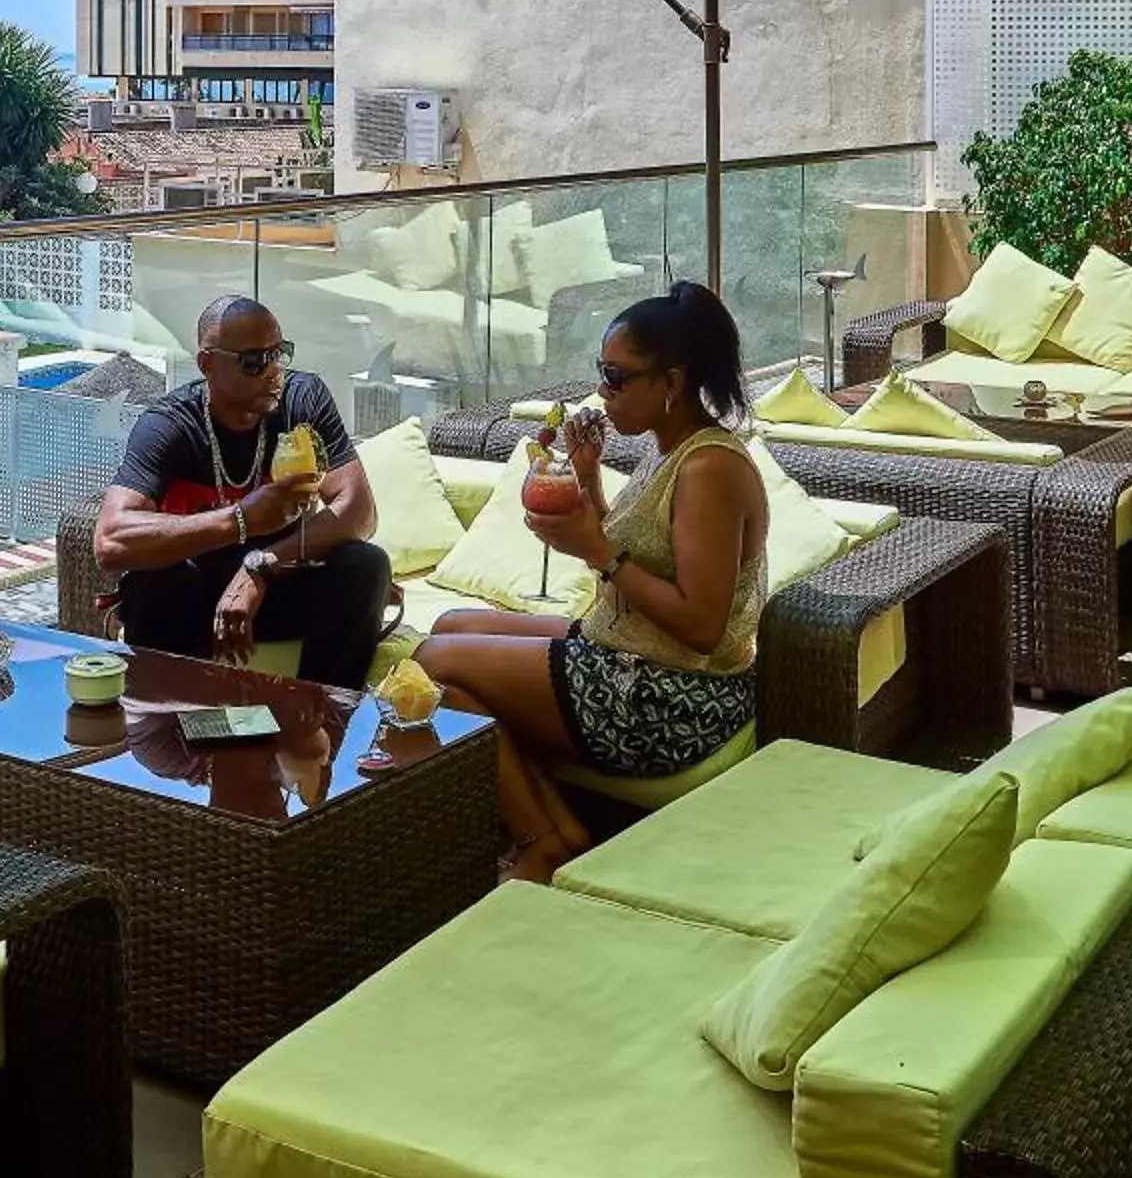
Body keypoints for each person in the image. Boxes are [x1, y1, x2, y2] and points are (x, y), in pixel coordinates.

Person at [414, 281, 769, 882]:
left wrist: (598, 550)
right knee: (449, 624)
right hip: (630, 655)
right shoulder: (669, 447)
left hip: (674, 700)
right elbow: (640, 560)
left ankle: (538, 840)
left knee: (431, 662)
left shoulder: (709, 468)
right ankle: (557, 830)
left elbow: (703, 627)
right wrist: (589, 484)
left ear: (672, 383)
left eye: (616, 377)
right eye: (602, 372)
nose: (602, 392)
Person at [94, 296, 391, 686]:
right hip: (196, 594)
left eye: (277, 354)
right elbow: (110, 541)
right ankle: (168, 725)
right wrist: (240, 520)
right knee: (157, 583)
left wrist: (262, 566)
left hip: (280, 580)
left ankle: (319, 722)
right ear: (207, 364)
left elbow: (359, 511)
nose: (272, 372)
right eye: (253, 361)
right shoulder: (170, 425)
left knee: (365, 565)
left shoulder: (303, 400)